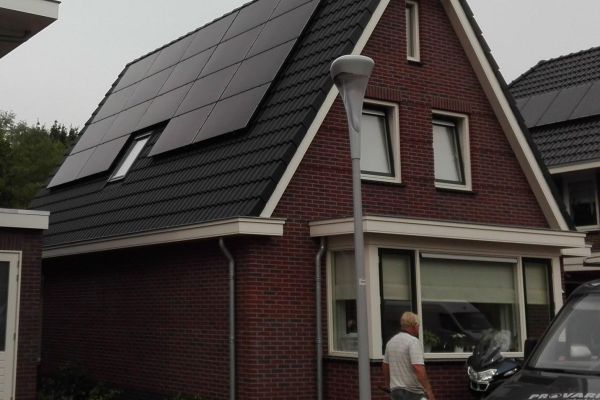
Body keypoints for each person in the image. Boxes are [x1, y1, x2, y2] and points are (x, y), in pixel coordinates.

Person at [382, 312, 436, 400]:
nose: (418, 329)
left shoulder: (391, 342)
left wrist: (389, 385)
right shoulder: (413, 341)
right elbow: (418, 367)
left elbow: (385, 366)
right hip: (413, 393)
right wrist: (429, 391)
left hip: (396, 392)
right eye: (418, 326)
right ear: (414, 326)